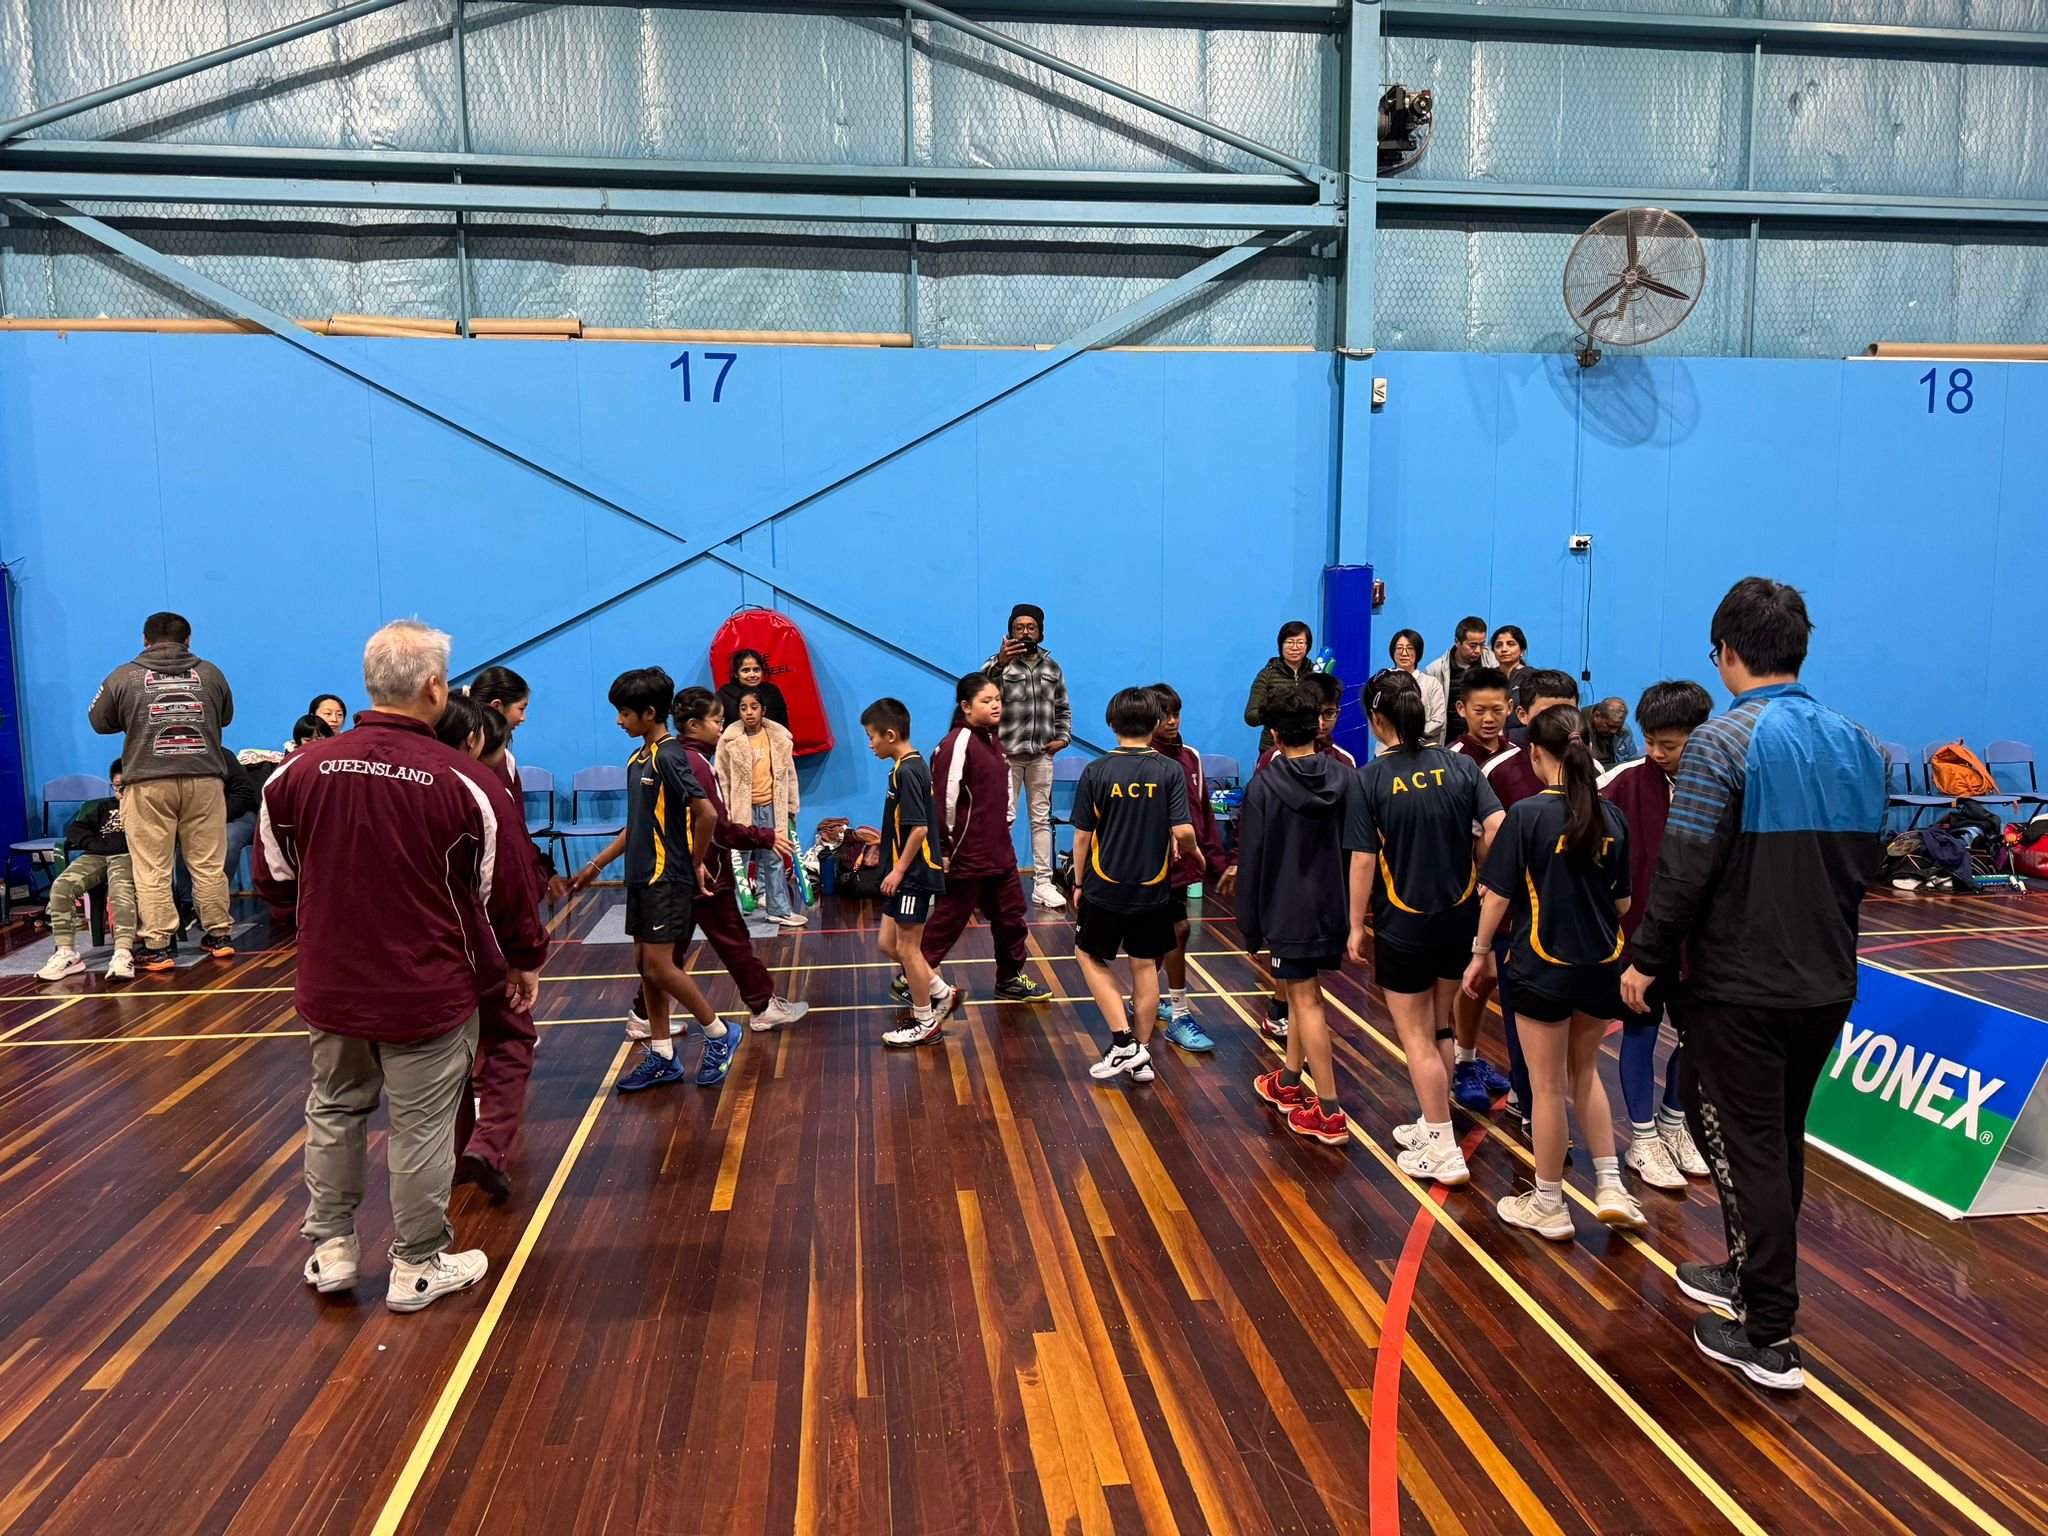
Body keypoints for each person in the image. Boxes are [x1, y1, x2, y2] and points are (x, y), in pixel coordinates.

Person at [1622, 577, 1884, 1392]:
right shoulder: (1860, 743)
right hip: (1827, 981)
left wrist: (1645, 958)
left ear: (1727, 653)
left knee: (1750, 1146)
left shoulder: (1721, 742)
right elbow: (1866, 865)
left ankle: (1769, 1333)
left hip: (1742, 987)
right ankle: (1745, 1271)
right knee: (1773, 1138)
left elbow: (1684, 869)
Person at [255, 619, 545, 1313]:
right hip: (428, 988)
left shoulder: (296, 772)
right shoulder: (467, 781)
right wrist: (524, 958)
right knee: (421, 1126)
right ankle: (416, 1265)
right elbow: (506, 890)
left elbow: (274, 879)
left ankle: (331, 1248)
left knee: (334, 1109)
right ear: (436, 688)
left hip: (332, 985)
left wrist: (323, 930)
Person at [1464, 705, 1647, 1242]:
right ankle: (1611, 1187)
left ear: (1536, 754)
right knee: (1585, 1073)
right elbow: (1623, 903)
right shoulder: (1612, 817)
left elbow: (1497, 896)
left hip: (1541, 968)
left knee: (1545, 1089)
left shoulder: (1526, 814)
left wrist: (1479, 952)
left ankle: (1548, 1203)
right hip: (1601, 967)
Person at [1344, 672, 1504, 1187]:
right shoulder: (1461, 766)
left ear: (1376, 719)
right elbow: (1498, 826)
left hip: (1403, 923)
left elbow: (1364, 860)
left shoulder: (1368, 779)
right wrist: (1493, 881)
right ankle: (1434, 1123)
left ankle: (1443, 1146)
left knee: (1415, 1036)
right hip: (1460, 919)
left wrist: (1354, 925)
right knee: (1439, 1028)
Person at [567, 667, 734, 1093]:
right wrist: (596, 865)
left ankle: (719, 1033)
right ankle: (662, 1054)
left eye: (625, 713)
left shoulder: (669, 755)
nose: (619, 721)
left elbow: (706, 813)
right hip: (642, 877)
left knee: (661, 965)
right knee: (646, 966)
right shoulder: (637, 758)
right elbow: (636, 825)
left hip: (667, 877)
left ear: (649, 713)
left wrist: (694, 863)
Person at [1237, 680, 1365, 1145]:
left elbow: (1252, 860)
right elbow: (1359, 850)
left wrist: (1250, 927)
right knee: (1299, 993)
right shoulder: (1347, 778)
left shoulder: (1264, 785)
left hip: (1288, 911)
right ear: (1317, 727)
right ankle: (1289, 1080)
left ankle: (1329, 1111)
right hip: (1332, 906)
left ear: (1274, 734)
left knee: (1306, 1001)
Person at [1601, 680, 1716, 1193]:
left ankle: (1674, 1122)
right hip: (1639, 945)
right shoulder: (1620, 785)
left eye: (1669, 744)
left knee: (1699, 1040)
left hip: (1704, 948)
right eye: (1649, 741)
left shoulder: (1724, 785)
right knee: (1640, 1034)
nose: (1655, 753)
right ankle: (1642, 1139)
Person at [430, 695, 537, 1202]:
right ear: (473, 739)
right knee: (512, 1038)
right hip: (475, 941)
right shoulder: (479, 788)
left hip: (413, 949)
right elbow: (506, 881)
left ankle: (454, 1158)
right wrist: (525, 955)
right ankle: (487, 1146)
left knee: (449, 1052)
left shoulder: (399, 782)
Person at [89, 611, 237, 971]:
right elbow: (226, 716)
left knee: (152, 867)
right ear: (188, 640)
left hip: (148, 783)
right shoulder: (212, 673)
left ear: (145, 640)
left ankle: (158, 946)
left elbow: (99, 721)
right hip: (205, 780)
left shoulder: (123, 676)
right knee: (208, 864)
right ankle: (219, 936)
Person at [1072, 688, 1197, 1085]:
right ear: (1156, 724)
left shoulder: (1096, 770)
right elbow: (1183, 831)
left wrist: (1078, 882)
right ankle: (1141, 1058)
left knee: (1088, 956)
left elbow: (1082, 837)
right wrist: (1195, 852)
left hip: (1105, 887)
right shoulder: (1170, 770)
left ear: (1112, 724)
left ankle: (1123, 1040)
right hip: (1153, 890)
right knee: (1144, 967)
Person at [911, 675, 1054, 1012]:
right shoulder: (956, 744)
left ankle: (1009, 979)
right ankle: (912, 978)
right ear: (965, 706)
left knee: (1011, 917)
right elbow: (944, 801)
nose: (995, 706)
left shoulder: (994, 740)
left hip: (999, 853)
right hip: (966, 854)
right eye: (986, 701)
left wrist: (1004, 824)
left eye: (998, 700)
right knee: (949, 921)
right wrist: (944, 848)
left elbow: (1003, 792)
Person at [672, 688, 810, 1032]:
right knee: (733, 941)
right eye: (716, 721)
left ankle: (642, 1016)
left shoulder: (672, 756)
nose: (721, 727)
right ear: (693, 724)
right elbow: (716, 827)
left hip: (686, 871)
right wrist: (764, 837)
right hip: (706, 873)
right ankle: (761, 1007)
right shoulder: (697, 765)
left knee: (669, 954)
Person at [863, 698, 956, 1047]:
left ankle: (926, 1022)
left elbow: (918, 829)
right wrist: (886, 846)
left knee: (909, 949)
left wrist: (898, 870)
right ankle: (943, 993)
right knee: (888, 944)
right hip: (905, 872)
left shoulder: (909, 771)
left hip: (913, 876)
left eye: (872, 737)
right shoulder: (903, 767)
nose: (870, 744)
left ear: (890, 735)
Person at [1148, 682, 1234, 1050]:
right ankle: (1180, 1015)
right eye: (1163, 715)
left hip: (1185, 867)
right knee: (1177, 931)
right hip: (1152, 867)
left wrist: (1218, 863)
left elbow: (1205, 816)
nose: (1171, 721)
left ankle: (1144, 998)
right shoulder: (1144, 760)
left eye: (1176, 713)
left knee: (1165, 936)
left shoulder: (1192, 758)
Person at [984, 605, 1073, 909]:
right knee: (1003, 820)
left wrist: (1063, 738)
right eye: (1019, 627)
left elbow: (1062, 708)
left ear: (1040, 632)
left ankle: (1044, 884)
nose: (1025, 632)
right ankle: (998, 884)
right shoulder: (999, 665)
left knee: (1040, 820)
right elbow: (978, 692)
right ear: (1010, 632)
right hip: (1006, 757)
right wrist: (1000, 662)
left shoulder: (1053, 668)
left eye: (1031, 627)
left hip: (1041, 757)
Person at [469, 664, 569, 906]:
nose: (523, 718)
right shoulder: (460, 768)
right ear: (497, 706)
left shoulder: (507, 761)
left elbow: (515, 828)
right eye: (521, 709)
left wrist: (544, 870)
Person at [36, 760, 138, 983]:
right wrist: (94, 844)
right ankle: (67, 953)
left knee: (120, 889)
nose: (121, 791)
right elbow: (77, 829)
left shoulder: (144, 807)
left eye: (127, 786)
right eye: (117, 786)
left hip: (127, 856)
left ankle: (123, 953)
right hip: (96, 855)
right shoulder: (104, 807)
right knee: (61, 886)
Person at [716, 687, 806, 929]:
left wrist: (790, 807)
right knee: (738, 860)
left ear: (763, 710)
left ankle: (778, 910)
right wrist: (725, 811)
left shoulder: (779, 738)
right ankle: (732, 913)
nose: (749, 713)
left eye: (754, 707)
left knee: (774, 858)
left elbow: (789, 775)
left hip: (771, 808)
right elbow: (722, 778)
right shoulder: (728, 740)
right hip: (741, 810)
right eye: (743, 708)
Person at [1243, 620, 1327, 751]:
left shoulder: (1316, 674)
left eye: (1300, 643)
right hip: (1273, 746)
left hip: (1309, 746)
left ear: (1308, 646)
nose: (1294, 648)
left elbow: (1326, 709)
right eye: (1289, 642)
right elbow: (1250, 716)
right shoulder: (1267, 674)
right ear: (1281, 644)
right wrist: (1281, 712)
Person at [1254, 672, 1357, 776]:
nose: (1321, 722)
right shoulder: (1272, 758)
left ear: (1337, 713)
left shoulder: (1345, 759)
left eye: (1329, 713)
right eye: (1315, 714)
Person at [1388, 629, 1448, 745]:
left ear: (1418, 652)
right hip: (1388, 747)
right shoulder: (1383, 682)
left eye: (1410, 648)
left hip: (1421, 748)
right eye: (1399, 648)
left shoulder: (1432, 684)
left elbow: (1438, 721)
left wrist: (1411, 735)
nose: (1404, 653)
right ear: (1393, 651)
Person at [716, 649, 790, 732]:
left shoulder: (772, 691)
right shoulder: (724, 696)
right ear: (736, 674)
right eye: (746, 670)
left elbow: (784, 726)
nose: (752, 675)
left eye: (756, 670)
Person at [1425, 616, 1489, 708]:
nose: (1478, 650)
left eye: (1482, 644)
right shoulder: (1435, 670)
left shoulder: (1493, 663)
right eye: (1472, 645)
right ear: (1457, 642)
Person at [1588, 697, 1640, 772]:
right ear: (1597, 716)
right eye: (1610, 726)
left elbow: (1633, 761)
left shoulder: (1624, 731)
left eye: (1618, 727)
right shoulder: (1579, 727)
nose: (1614, 731)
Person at [1491, 624, 1530, 712]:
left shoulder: (1531, 677)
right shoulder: (1486, 677)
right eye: (1498, 645)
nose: (1504, 649)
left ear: (1522, 650)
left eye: (1510, 644)